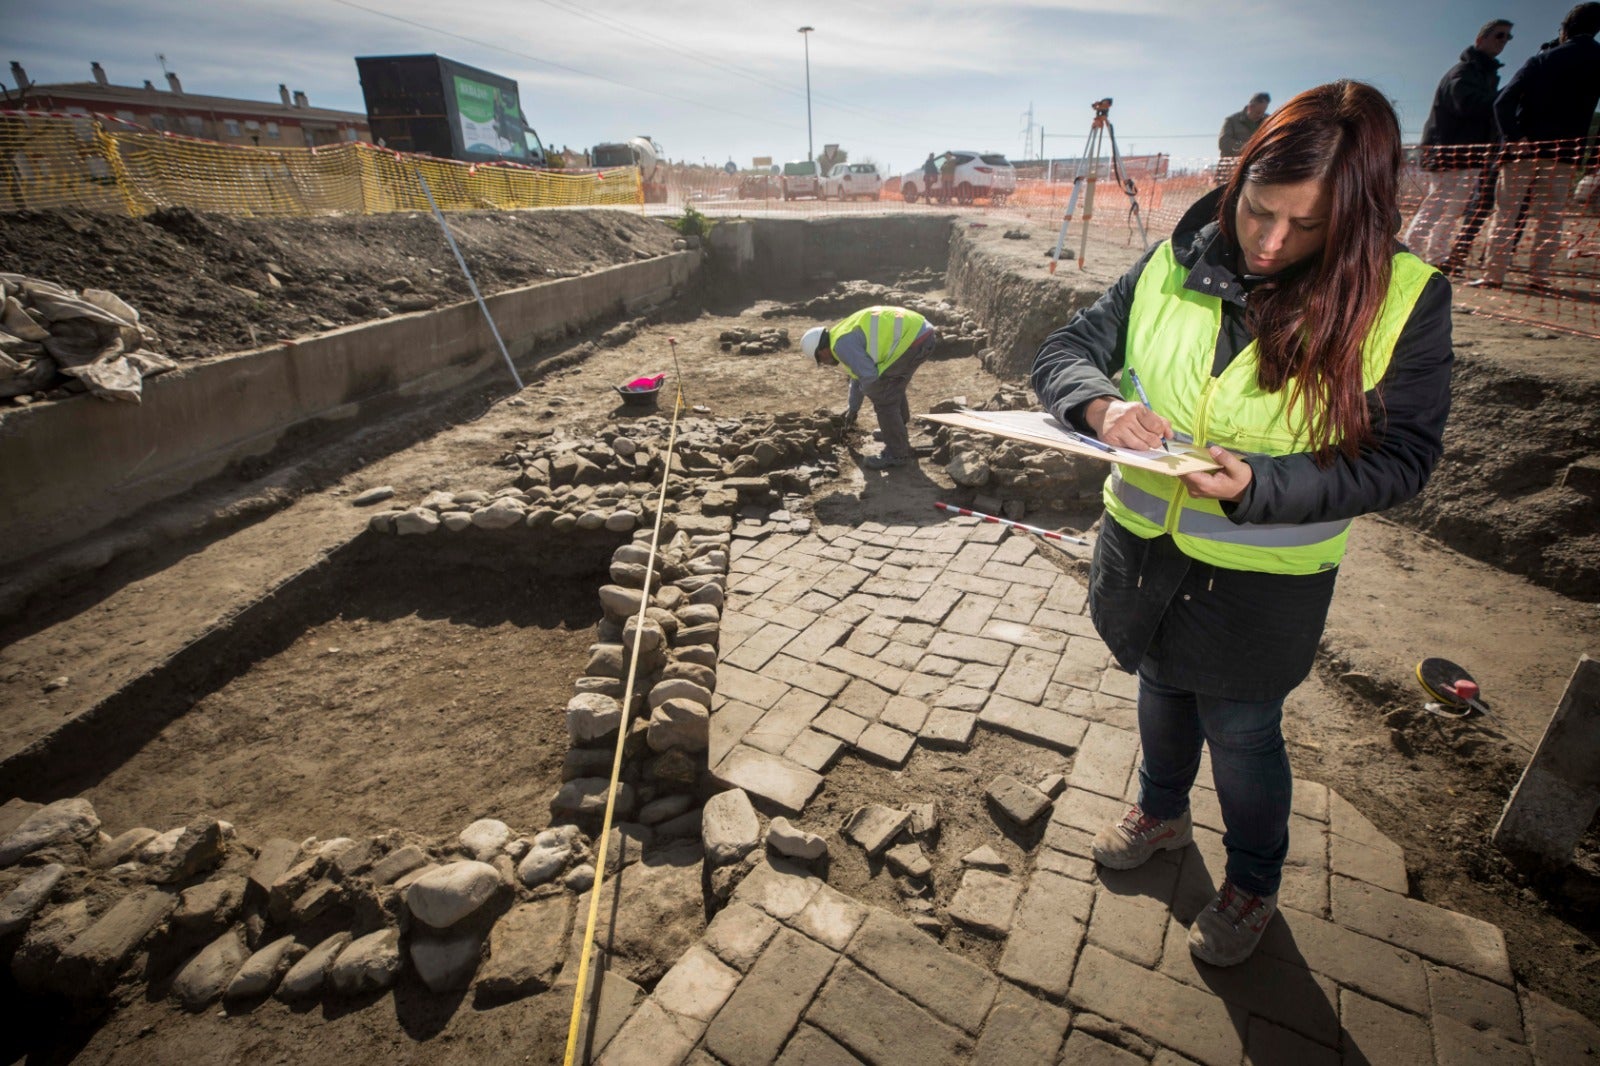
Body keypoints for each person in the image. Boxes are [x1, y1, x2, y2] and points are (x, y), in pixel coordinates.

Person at [1032, 81, 1452, 967]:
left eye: (1306, 229)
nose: (1268, 244)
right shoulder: (1172, 259)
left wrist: (1260, 484)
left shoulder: (1404, 299)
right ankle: (1162, 814)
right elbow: (1065, 352)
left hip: (1264, 581)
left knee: (1243, 730)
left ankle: (1254, 883)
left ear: (1359, 216)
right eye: (1259, 211)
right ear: (1237, 182)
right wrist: (1102, 409)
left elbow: (1403, 458)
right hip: (1145, 548)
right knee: (1159, 686)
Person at [1473, 3, 1600, 293]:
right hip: (1565, 155)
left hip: (1523, 152)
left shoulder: (1542, 60)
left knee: (1505, 214)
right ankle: (1539, 277)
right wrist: (1593, 156)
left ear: (1565, 29)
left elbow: (1501, 102)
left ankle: (1493, 274)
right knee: (1550, 218)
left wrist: (1515, 138)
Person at [1404, 19, 1513, 267]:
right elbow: (1467, 105)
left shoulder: (1485, 76)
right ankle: (1408, 256)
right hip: (1447, 153)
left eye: (1507, 37)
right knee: (1437, 206)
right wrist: (1504, 98)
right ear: (1480, 39)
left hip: (1470, 156)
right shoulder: (1462, 73)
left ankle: (1436, 257)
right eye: (1499, 35)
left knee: (1453, 211)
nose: (1503, 42)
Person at [802, 306, 938, 470]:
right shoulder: (839, 335)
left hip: (914, 341)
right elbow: (857, 376)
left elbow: (869, 377)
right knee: (891, 386)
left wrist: (876, 396)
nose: (824, 364)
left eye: (820, 360)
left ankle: (897, 452)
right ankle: (896, 432)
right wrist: (853, 409)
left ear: (822, 351)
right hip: (920, 332)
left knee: (884, 400)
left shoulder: (842, 345)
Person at [1216, 93, 1270, 182]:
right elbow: (1223, 143)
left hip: (1256, 174)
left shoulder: (1268, 121)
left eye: (1263, 112)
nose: (1260, 115)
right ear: (1250, 107)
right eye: (1258, 112)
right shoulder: (1231, 121)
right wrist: (1248, 148)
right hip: (1230, 173)